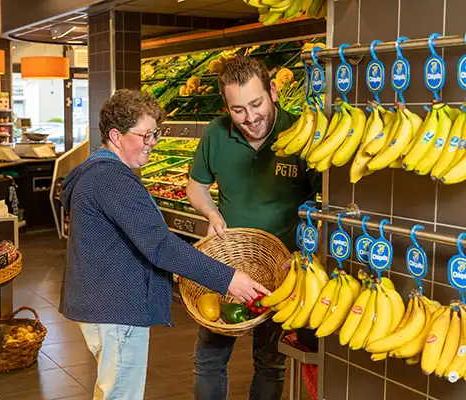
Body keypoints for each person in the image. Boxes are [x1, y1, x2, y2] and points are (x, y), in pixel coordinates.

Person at [59, 89, 268, 400]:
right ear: (116, 136)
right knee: (121, 395)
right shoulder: (112, 180)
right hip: (117, 309)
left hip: (100, 304)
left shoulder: (96, 172)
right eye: (145, 135)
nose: (153, 143)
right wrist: (229, 279)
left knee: (110, 389)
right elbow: (160, 246)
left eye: (155, 134)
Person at [187, 56, 321, 400]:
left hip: (284, 270)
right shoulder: (216, 134)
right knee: (209, 359)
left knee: (270, 362)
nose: (250, 118)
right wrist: (211, 213)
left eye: (256, 103)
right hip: (229, 266)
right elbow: (195, 185)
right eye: (238, 110)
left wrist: (309, 254)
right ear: (225, 107)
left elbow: (325, 203)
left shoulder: (301, 135)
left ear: (273, 91)